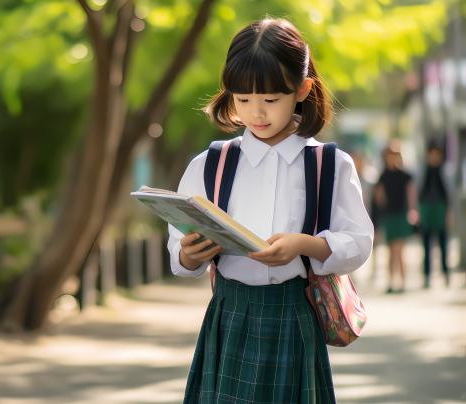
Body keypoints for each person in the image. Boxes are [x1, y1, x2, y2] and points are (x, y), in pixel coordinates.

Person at [166, 19, 373, 403]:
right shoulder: (212, 163)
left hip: (293, 316)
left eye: (270, 100)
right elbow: (180, 245)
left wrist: (305, 245)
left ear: (302, 89)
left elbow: (358, 241)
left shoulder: (329, 164)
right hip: (228, 315)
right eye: (242, 100)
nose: (255, 113)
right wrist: (187, 253)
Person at [374, 141, 418, 293]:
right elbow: (379, 197)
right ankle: (393, 282)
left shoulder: (405, 176)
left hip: (401, 215)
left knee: (399, 250)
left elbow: (411, 194)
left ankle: (402, 283)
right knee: (392, 250)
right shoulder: (383, 176)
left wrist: (413, 211)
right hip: (390, 216)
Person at [419, 142, 450, 288]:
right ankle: (426, 276)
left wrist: (450, 214)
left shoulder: (445, 171)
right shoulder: (422, 170)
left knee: (443, 244)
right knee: (426, 245)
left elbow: (449, 196)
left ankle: (446, 274)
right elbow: (419, 192)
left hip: (440, 209)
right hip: (426, 209)